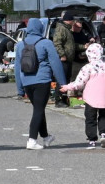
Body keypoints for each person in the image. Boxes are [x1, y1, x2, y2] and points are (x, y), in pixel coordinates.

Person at [15, 18, 67, 150]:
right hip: (42, 81)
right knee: (38, 110)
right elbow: (56, 64)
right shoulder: (46, 43)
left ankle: (46, 137)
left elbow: (16, 67)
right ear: (40, 28)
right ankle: (31, 140)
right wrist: (62, 83)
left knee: (39, 108)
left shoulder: (20, 45)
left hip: (27, 82)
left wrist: (20, 88)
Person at [60, 43, 105, 148]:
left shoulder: (87, 68)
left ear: (89, 55)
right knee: (104, 117)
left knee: (90, 119)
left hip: (91, 99)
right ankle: (103, 134)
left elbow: (79, 83)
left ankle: (92, 140)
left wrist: (67, 87)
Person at [52, 13, 78, 106]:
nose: (74, 22)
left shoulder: (67, 29)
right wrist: (62, 55)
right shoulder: (61, 29)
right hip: (63, 60)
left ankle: (63, 99)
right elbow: (57, 43)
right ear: (69, 20)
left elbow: (70, 45)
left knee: (66, 80)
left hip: (68, 60)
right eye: (73, 20)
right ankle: (58, 100)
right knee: (61, 80)